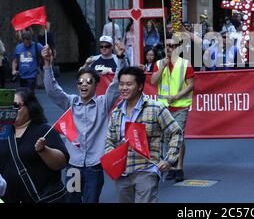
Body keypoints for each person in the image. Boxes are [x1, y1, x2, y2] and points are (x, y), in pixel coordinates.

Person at [42, 41, 126, 203]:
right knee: (72, 200)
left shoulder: (103, 103)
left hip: (94, 167)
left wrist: (121, 58)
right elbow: (52, 90)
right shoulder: (71, 103)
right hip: (73, 166)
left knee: (91, 201)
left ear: (96, 85)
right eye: (80, 82)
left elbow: (116, 84)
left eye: (88, 81)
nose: (84, 85)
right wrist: (47, 63)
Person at [105, 67, 182, 203]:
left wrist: (169, 159)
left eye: (129, 84)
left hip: (147, 169)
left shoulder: (156, 108)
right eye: (121, 84)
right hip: (122, 173)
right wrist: (112, 158)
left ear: (140, 86)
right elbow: (110, 140)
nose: (123, 88)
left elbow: (176, 132)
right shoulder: (116, 112)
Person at [0, 88, 69, 203]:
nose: (11, 110)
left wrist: (44, 150)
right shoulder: (3, 133)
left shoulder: (43, 130)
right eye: (7, 106)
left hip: (44, 199)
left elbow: (61, 163)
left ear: (29, 107)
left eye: (16, 105)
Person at [151, 37, 195, 182]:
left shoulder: (185, 64)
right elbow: (153, 82)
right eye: (167, 45)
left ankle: (179, 167)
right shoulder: (159, 63)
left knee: (178, 135)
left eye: (172, 46)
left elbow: (190, 85)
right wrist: (163, 66)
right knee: (165, 138)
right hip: (163, 107)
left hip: (180, 105)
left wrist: (176, 96)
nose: (169, 48)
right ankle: (170, 165)